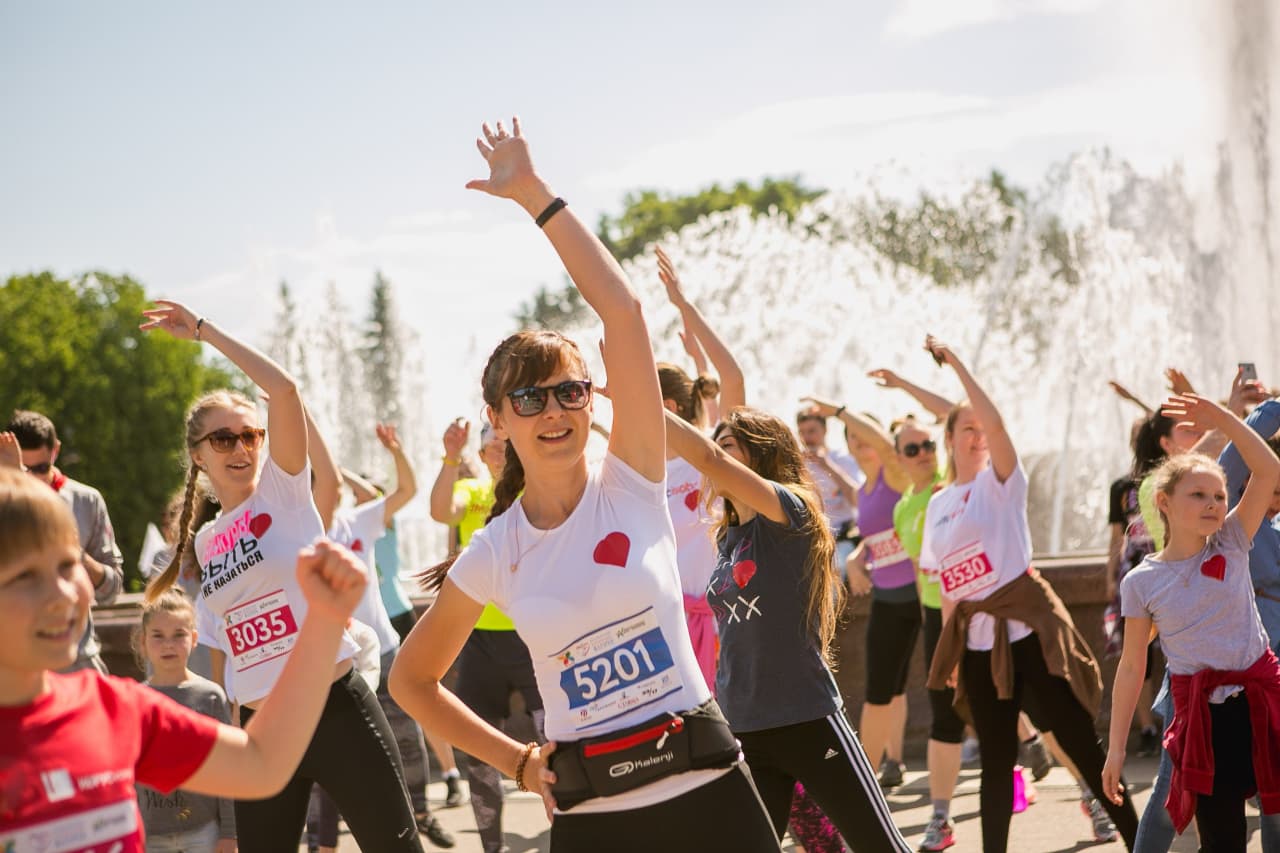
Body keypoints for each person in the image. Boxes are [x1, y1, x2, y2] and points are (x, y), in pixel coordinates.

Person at [392, 117, 780, 852]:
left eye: (569, 391)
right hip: (594, 820)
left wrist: (535, 195)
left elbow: (625, 310)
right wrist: (517, 761)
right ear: (498, 419)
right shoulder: (495, 549)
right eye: (530, 399)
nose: (554, 411)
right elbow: (412, 681)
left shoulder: (632, 479)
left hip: (710, 794)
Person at [139, 300, 425, 853]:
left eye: (250, 435)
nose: (241, 447)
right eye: (223, 439)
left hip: (335, 708)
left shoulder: (283, 492)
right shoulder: (203, 539)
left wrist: (204, 331)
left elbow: (288, 392)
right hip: (262, 733)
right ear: (198, 456)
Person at [0, 465, 370, 852]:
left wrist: (323, 623)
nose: (61, 594)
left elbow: (260, 765)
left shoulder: (114, 709)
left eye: (66, 564)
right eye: (25, 576)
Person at [919, 335, 1139, 853]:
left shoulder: (1002, 482)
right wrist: (947, 654)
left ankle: (1140, 841)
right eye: (965, 429)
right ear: (949, 438)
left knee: (1084, 746)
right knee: (996, 764)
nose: (977, 436)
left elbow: (994, 424)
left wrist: (957, 364)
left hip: (1031, 637)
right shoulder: (939, 504)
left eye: (982, 428)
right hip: (976, 645)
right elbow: (950, 585)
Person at [663, 401, 911, 852]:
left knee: (880, 846)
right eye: (717, 445)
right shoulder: (727, 536)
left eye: (728, 446)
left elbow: (706, 460)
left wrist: (634, 398)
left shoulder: (789, 513)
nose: (714, 455)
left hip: (807, 718)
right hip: (746, 725)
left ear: (761, 455)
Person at [1103, 394, 1280, 853]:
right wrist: (1116, 750)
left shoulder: (1233, 541)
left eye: (1220, 496)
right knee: (1222, 840)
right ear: (1163, 502)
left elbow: (1266, 470)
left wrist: (1224, 418)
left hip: (1262, 702)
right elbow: (1130, 668)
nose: (1213, 504)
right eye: (1198, 495)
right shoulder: (1142, 582)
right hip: (1203, 721)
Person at [429, 417, 545, 853]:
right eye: (491, 446)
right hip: (480, 639)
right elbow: (441, 511)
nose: (498, 451)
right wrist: (450, 458)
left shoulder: (535, 489)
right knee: (476, 747)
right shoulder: (474, 492)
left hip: (532, 639)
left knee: (559, 742)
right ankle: (492, 846)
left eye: (505, 443)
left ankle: (572, 824)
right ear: (480, 456)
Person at [800, 398, 917, 793]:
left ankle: (1027, 738)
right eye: (853, 438)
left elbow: (884, 448)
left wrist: (840, 412)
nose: (860, 443)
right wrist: (857, 560)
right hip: (888, 597)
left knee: (956, 680)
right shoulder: (865, 490)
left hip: (924, 595)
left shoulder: (896, 476)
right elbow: (877, 533)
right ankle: (869, 778)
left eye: (864, 435)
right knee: (884, 688)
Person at [654, 244, 746, 692]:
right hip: (674, 626)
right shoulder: (646, 470)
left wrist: (683, 307)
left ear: (668, 407)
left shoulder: (716, 453)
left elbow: (731, 382)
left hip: (726, 622)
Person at [5, 409, 123, 673]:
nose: (33, 477)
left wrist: (75, 556)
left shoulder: (87, 500)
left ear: (55, 450)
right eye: (25, 469)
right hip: (15, 668)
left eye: (41, 468)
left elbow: (112, 591)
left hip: (77, 662)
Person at [133, 589, 237, 853]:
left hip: (204, 832)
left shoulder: (211, 696)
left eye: (178, 635)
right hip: (150, 836)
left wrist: (229, 832)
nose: (168, 644)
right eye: (158, 636)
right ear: (143, 642)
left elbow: (227, 768)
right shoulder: (134, 700)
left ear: (194, 639)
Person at [796, 408, 864, 572]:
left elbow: (859, 500)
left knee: (835, 568)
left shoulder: (843, 460)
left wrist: (827, 465)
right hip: (813, 540)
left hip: (844, 537)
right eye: (802, 432)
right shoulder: (797, 465)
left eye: (812, 431)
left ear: (825, 430)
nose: (807, 438)